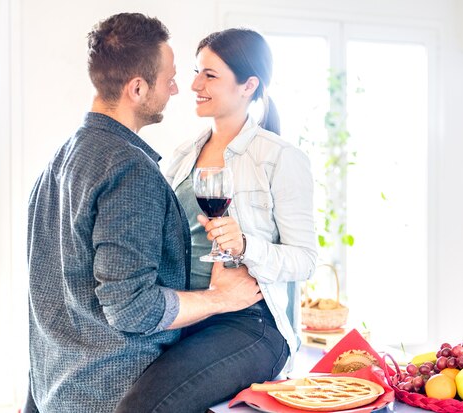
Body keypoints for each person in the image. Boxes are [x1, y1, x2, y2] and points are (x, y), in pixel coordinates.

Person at [24, 14, 263, 413]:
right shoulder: (129, 170)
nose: (176, 88)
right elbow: (133, 308)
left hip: (55, 391)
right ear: (137, 88)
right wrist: (220, 297)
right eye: (169, 78)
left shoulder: (59, 161)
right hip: (113, 393)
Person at [114, 28, 317, 412]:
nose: (193, 84)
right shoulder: (180, 156)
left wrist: (246, 247)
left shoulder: (279, 158)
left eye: (210, 75)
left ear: (248, 85)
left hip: (249, 323)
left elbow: (305, 259)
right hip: (187, 312)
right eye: (196, 72)